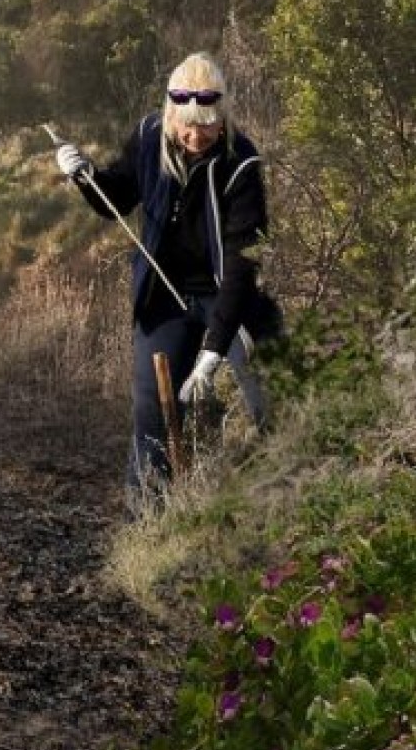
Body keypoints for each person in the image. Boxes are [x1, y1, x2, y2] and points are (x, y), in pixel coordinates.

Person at [53, 52, 276, 501]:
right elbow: (115, 196)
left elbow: (242, 263)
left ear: (222, 116)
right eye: (188, 124)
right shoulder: (149, 135)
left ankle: (267, 503)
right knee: (153, 414)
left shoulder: (242, 163)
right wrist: (84, 174)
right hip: (163, 300)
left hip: (224, 297)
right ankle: (148, 523)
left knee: (262, 405)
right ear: (172, 113)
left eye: (208, 124)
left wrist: (214, 349)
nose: (197, 135)